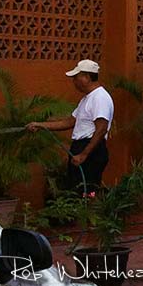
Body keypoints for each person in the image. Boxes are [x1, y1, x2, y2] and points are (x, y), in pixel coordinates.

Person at [27, 59, 114, 193]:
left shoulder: (100, 98)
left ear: (87, 77)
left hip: (90, 149)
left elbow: (101, 129)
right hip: (81, 147)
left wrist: (84, 154)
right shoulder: (87, 98)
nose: (74, 82)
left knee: (86, 190)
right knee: (75, 189)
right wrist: (40, 125)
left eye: (76, 77)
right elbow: (69, 122)